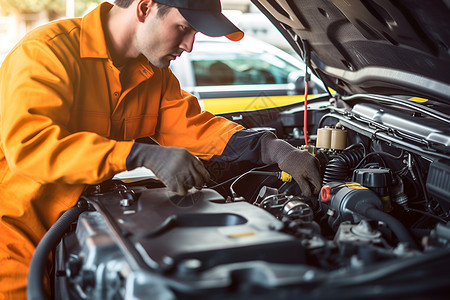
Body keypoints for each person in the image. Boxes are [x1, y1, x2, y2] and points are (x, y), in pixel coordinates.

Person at [0, 0, 321, 298]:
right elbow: (31, 145)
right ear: (144, 8)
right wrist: (137, 154)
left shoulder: (153, 75)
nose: (189, 45)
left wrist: (273, 148)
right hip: (13, 236)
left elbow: (195, 127)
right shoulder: (46, 52)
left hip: (72, 231)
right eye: (184, 28)